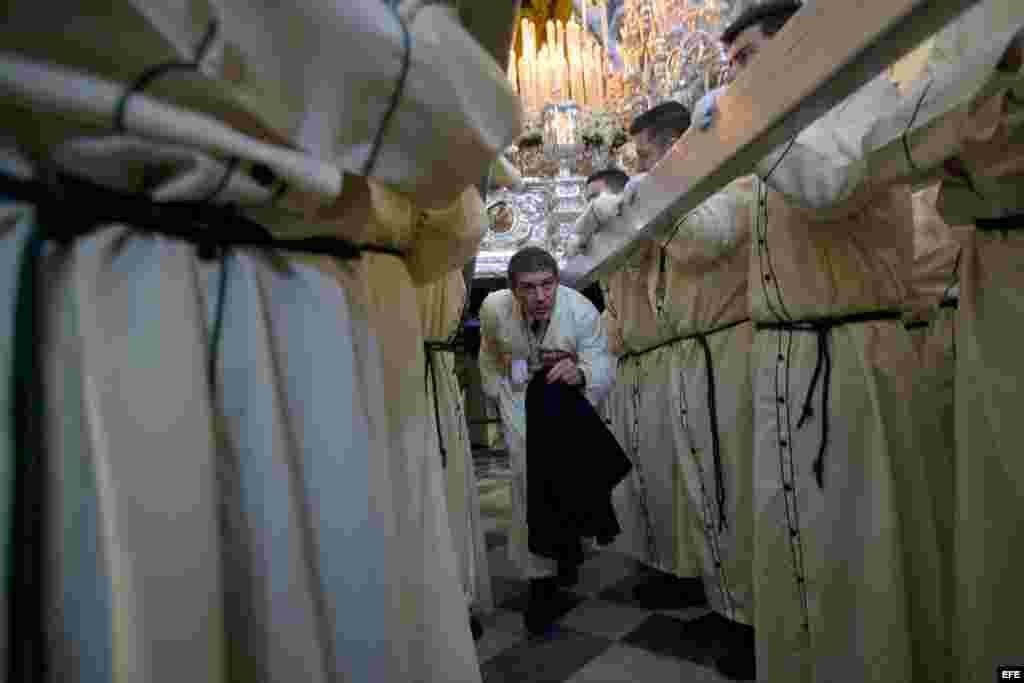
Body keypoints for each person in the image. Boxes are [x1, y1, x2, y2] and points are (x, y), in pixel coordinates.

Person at [694, 2, 948, 681]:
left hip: (852, 360)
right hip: (783, 358)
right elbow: (716, 231)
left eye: (748, 56)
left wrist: (745, 120)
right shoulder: (764, 140)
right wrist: (649, 205)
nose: (737, 74)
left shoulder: (862, 96)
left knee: (856, 542)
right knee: (791, 536)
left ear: (796, 46)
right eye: (731, 66)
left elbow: (828, 184)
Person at [477, 246, 617, 635]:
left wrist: (582, 372)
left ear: (557, 282)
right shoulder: (493, 308)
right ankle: (540, 582)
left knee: (567, 482)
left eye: (547, 285)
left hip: (568, 400)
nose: (539, 297)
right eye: (528, 288)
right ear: (512, 289)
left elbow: (603, 361)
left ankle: (567, 549)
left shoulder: (581, 311)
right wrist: (496, 387)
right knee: (526, 482)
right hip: (519, 397)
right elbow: (489, 354)